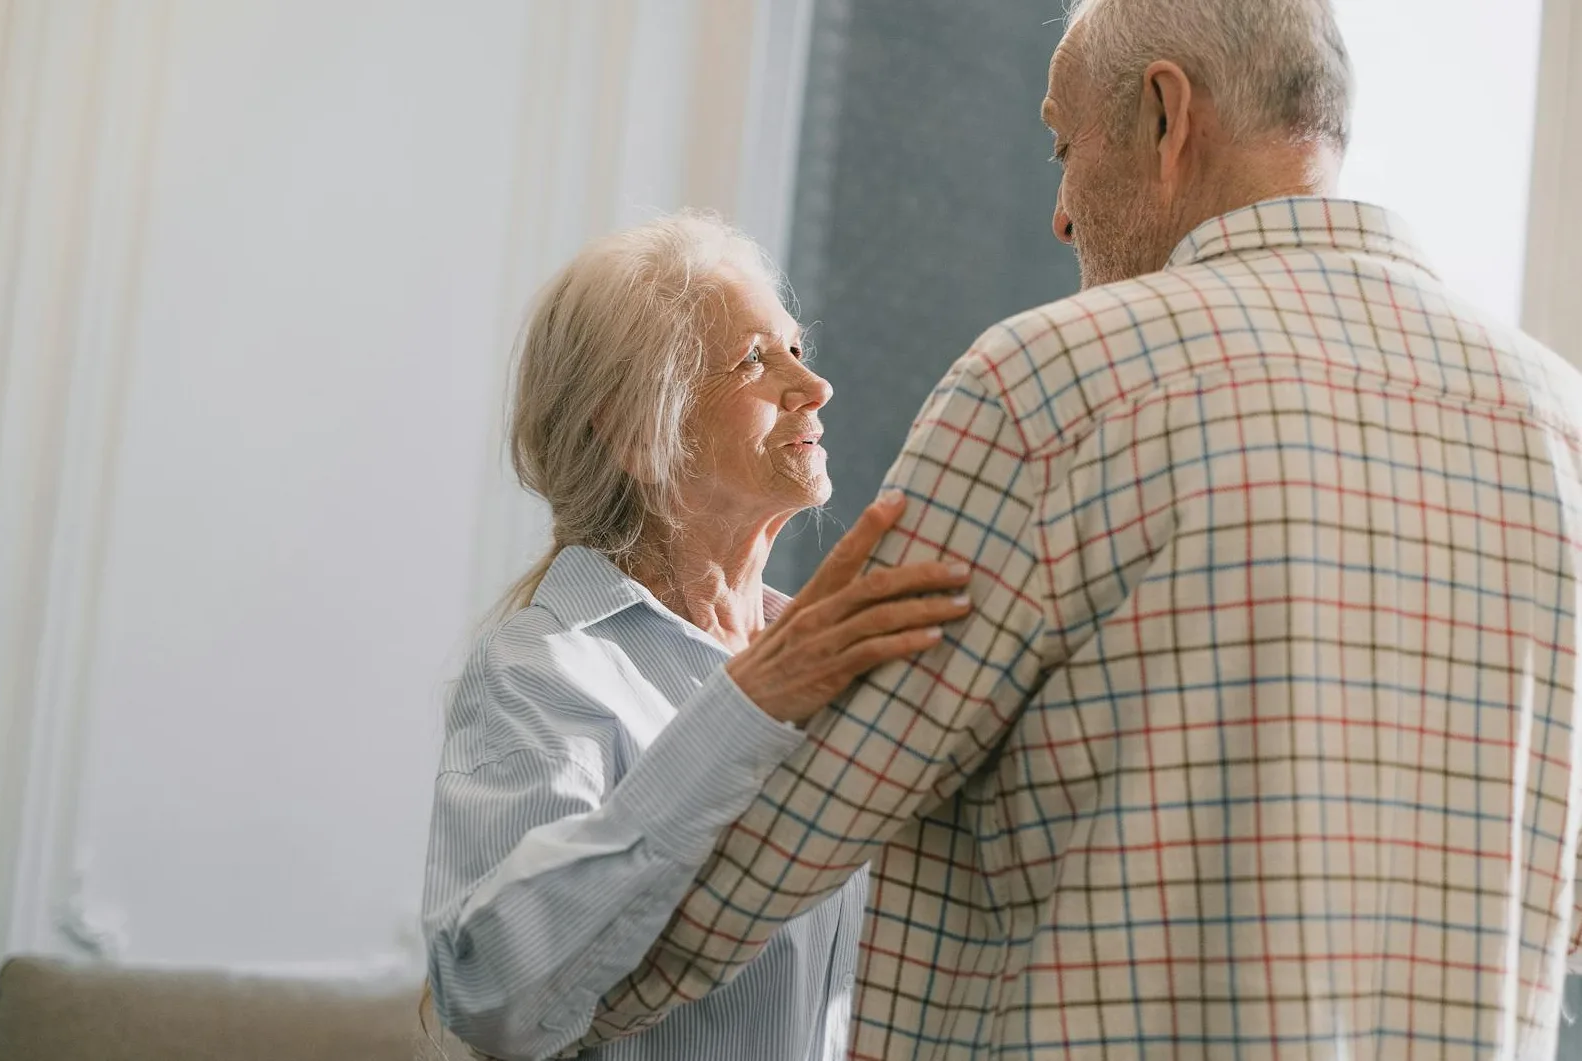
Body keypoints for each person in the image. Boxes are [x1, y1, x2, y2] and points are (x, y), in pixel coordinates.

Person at [579, 1, 1582, 1058]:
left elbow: (770, 850)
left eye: (1063, 146)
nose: (1061, 214)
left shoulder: (1048, 387)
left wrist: (536, 982)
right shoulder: (1557, 426)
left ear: (1166, 114)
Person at [418, 213, 973, 1061]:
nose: (814, 384)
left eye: (797, 346)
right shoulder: (542, 667)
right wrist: (745, 709)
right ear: (637, 433)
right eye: (756, 359)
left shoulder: (833, 659)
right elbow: (492, 993)